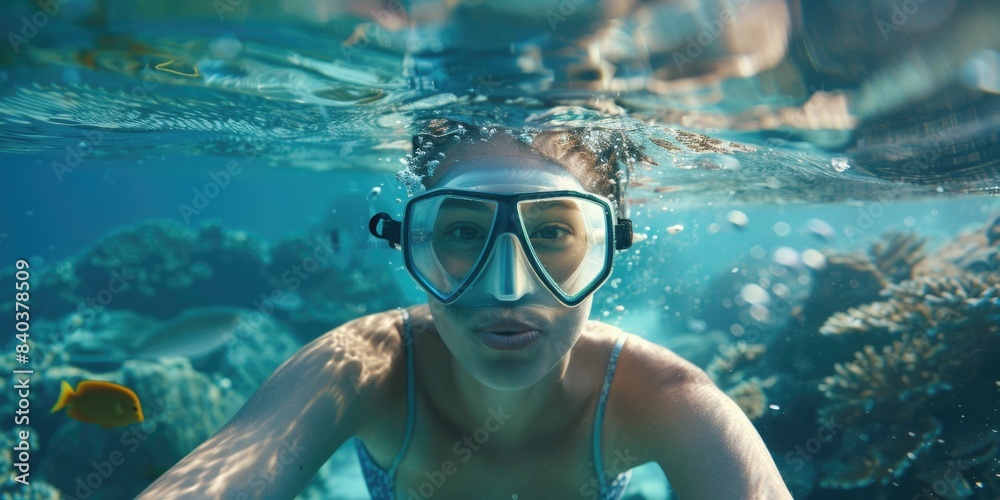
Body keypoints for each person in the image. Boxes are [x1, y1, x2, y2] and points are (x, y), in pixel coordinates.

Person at [139, 119, 792, 499]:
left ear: (607, 247)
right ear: (412, 243)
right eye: (461, 232)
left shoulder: (667, 397)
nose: (506, 289)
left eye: (553, 233)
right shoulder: (359, 367)